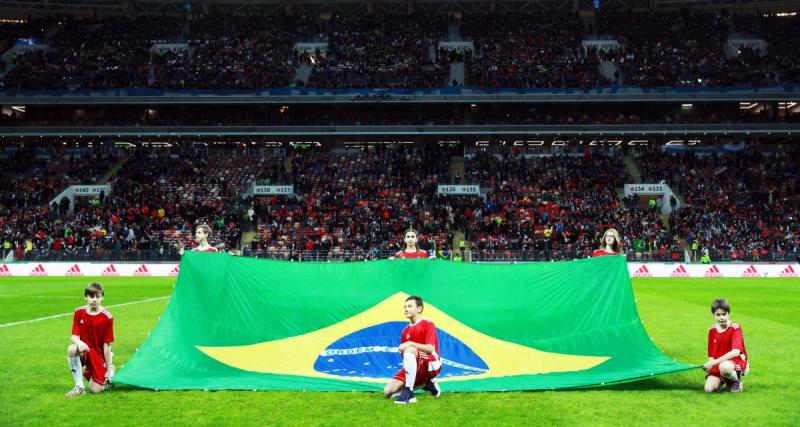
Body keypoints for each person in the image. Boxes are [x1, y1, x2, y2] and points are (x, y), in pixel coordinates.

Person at [383, 296, 442, 404]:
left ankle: (409, 393)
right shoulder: (405, 331)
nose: (406, 309)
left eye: (410, 306)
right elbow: (406, 359)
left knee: (410, 349)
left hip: (431, 363)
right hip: (416, 365)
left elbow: (430, 348)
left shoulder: (428, 324)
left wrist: (410, 343)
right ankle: (426, 384)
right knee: (387, 392)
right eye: (404, 307)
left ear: (419, 309)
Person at [65, 282, 115, 397]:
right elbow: (74, 336)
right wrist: (78, 342)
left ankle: (110, 369)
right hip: (85, 351)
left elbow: (107, 346)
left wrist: (108, 371)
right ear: (85, 297)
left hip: (99, 355)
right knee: (72, 349)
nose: (94, 300)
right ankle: (79, 387)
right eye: (91, 296)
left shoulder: (107, 317)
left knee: (95, 390)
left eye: (97, 297)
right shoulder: (79, 312)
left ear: (102, 297)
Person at [703, 298, 749, 393]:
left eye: (724, 314)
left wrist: (713, 363)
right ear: (713, 315)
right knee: (708, 389)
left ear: (728, 314)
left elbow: (736, 352)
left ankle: (736, 380)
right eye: (718, 315)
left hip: (735, 361)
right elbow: (711, 355)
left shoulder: (735, 327)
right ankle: (726, 378)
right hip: (718, 363)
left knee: (725, 367)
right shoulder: (712, 330)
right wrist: (709, 365)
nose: (721, 317)